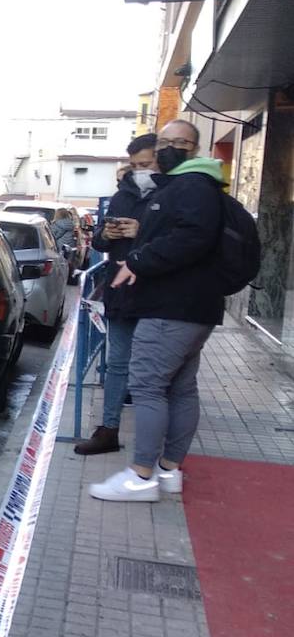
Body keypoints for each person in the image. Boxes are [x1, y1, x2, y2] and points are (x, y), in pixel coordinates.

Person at [89, 120, 226, 502]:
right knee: (181, 388)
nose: (167, 150)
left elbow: (189, 239)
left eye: (177, 143)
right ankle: (168, 472)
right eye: (165, 141)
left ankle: (141, 476)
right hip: (190, 305)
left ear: (194, 148)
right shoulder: (197, 185)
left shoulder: (189, 186)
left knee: (148, 386)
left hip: (171, 305)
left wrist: (140, 258)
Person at [75, 133, 158, 455]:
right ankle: (109, 430)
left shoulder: (175, 194)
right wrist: (106, 234)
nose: (141, 171)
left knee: (153, 368)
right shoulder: (121, 196)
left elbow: (182, 240)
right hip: (121, 292)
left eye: (147, 164)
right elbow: (98, 243)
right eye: (135, 165)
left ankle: (155, 443)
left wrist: (144, 231)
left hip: (158, 294)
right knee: (117, 363)